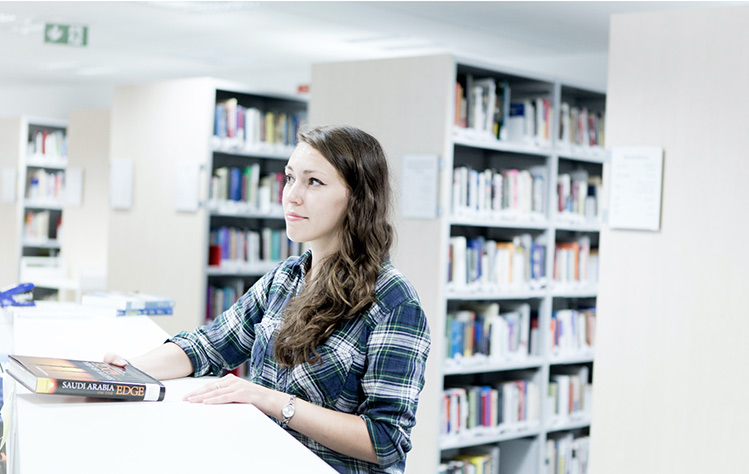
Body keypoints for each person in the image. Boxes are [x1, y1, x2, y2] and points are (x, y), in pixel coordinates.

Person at [105, 124, 431, 474]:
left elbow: (385, 440)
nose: (292, 196)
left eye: (313, 182)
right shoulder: (285, 278)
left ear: (357, 197)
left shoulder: (394, 302)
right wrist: (125, 371)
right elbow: (210, 345)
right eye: (290, 178)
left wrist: (271, 400)